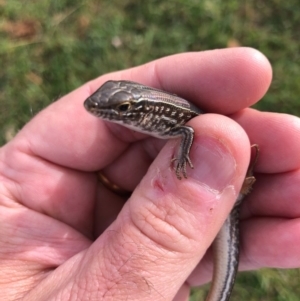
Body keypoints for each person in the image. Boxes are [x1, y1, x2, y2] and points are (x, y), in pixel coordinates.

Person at [0, 47, 299, 301]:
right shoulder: (149, 117)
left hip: (225, 201)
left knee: (228, 230)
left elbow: (186, 130)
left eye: (123, 108)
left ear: (141, 111)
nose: (104, 110)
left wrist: (185, 161)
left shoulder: (166, 118)